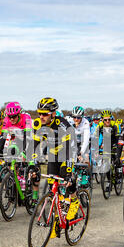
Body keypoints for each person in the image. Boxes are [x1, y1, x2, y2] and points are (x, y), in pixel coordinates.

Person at [33, 97, 78, 237]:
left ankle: (75, 200)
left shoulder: (62, 125)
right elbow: (33, 147)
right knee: (53, 188)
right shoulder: (37, 124)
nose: (41, 116)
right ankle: (57, 220)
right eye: (40, 113)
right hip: (53, 155)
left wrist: (69, 173)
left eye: (45, 114)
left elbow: (70, 149)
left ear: (53, 113)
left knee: (67, 178)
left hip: (67, 153)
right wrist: (32, 165)